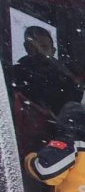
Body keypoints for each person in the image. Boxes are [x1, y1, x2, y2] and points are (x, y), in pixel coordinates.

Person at [10, 26, 80, 155]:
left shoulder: (66, 77)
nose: (39, 51)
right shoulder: (14, 74)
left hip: (60, 139)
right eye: (34, 46)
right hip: (22, 141)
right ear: (26, 47)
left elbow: (74, 110)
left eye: (43, 46)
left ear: (53, 50)